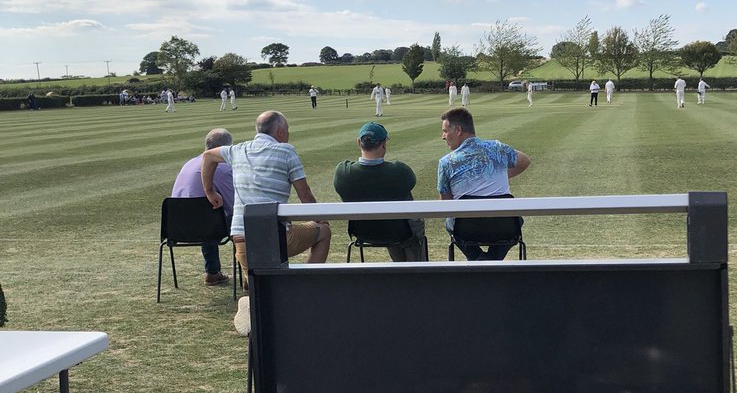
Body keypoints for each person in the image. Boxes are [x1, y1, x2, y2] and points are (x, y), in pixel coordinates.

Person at [202, 109, 331, 293]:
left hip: (241, 239)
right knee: (324, 231)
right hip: (273, 239)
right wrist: (320, 218)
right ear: (279, 131)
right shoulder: (286, 151)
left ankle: (252, 285)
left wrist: (209, 191)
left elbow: (208, 156)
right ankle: (304, 286)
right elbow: (305, 194)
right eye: (287, 129)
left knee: (259, 290)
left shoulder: (238, 149)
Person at [437, 107, 531, 261]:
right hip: (504, 227)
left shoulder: (446, 162)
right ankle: (492, 260)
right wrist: (496, 173)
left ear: (458, 130)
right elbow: (524, 160)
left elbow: (445, 204)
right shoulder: (497, 149)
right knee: (516, 220)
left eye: (445, 131)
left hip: (466, 229)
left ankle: (478, 260)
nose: (443, 136)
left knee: (450, 222)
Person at [333, 122, 426, 262]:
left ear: (359, 143)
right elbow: (409, 183)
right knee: (410, 217)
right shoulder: (400, 172)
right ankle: (415, 272)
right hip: (398, 232)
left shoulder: (343, 173)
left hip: (362, 232)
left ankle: (404, 266)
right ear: (384, 144)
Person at [172, 128, 234, 285]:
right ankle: (248, 273)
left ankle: (212, 271)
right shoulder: (222, 168)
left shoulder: (189, 163)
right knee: (240, 220)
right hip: (208, 227)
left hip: (175, 228)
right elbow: (234, 205)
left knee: (206, 214)